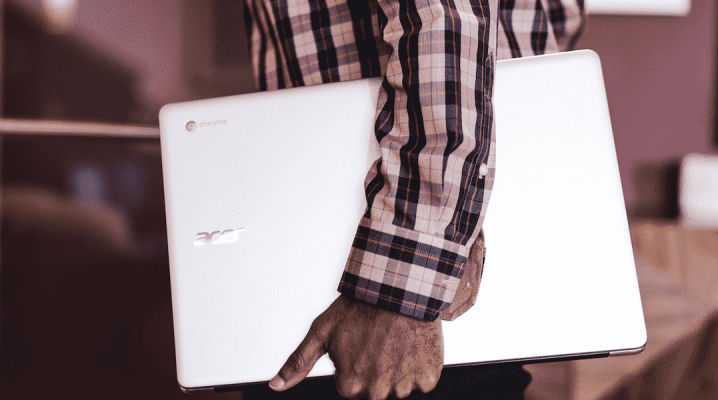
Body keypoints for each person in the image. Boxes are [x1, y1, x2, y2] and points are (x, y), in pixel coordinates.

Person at [241, 0, 584, 399]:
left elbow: (445, 20)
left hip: (393, 284)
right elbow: (557, 19)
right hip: (385, 245)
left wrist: (398, 293)